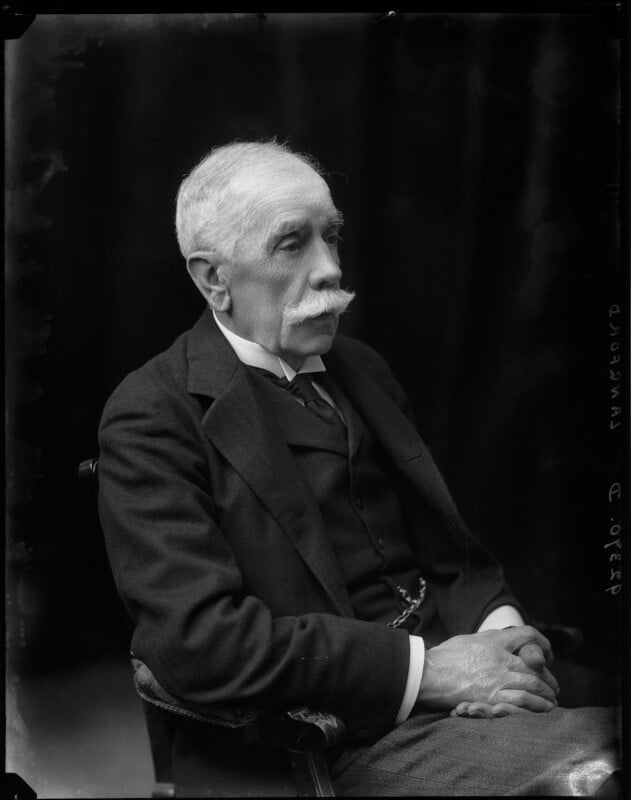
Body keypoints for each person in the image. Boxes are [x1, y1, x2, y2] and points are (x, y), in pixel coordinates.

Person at [98, 140, 619, 795]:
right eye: (292, 244)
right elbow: (199, 643)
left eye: (331, 236)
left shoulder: (362, 368)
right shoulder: (152, 414)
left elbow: (451, 558)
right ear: (214, 280)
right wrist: (431, 673)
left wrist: (504, 638)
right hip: (331, 738)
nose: (329, 270)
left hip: (470, 689)